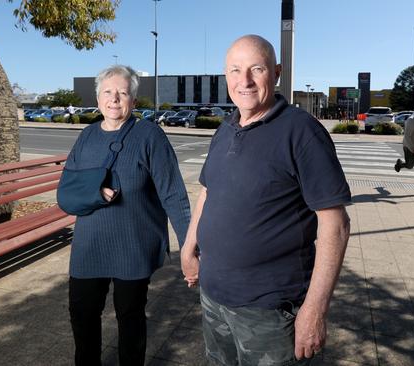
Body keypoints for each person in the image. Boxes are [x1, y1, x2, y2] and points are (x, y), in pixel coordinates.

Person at [181, 35, 351, 366]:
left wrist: (315, 310)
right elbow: (208, 191)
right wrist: (189, 246)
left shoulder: (301, 131)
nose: (243, 81)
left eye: (255, 69)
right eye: (234, 70)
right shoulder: (225, 128)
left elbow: (336, 224)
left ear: (276, 73)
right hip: (214, 299)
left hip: (269, 313)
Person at [66, 65, 191, 366]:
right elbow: (66, 191)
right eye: (108, 92)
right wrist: (95, 193)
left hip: (132, 245)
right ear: (97, 99)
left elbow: (173, 194)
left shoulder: (150, 136)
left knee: (130, 318)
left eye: (123, 93)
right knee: (82, 316)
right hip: (89, 247)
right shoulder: (86, 136)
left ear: (134, 101)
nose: (115, 99)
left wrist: (190, 246)